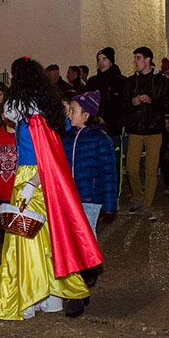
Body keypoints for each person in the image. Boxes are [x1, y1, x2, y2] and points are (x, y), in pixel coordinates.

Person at [0, 57, 103, 321]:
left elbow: (38, 155)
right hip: (44, 182)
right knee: (48, 237)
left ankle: (25, 297)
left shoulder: (32, 117)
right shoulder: (45, 111)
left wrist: (30, 185)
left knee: (23, 240)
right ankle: (53, 296)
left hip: (30, 180)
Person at [122, 46, 169, 220]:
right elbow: (124, 106)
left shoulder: (160, 81)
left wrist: (151, 100)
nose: (135, 61)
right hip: (135, 129)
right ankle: (138, 197)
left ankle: (147, 205)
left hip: (154, 129)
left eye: (138, 58)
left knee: (151, 169)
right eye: (134, 57)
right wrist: (132, 102)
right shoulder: (130, 82)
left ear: (148, 60)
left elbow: (167, 104)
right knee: (131, 168)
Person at [64, 90, 117, 236]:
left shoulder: (101, 139)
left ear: (86, 115)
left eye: (73, 111)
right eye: (69, 110)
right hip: (70, 197)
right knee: (72, 237)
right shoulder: (67, 138)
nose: (69, 114)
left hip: (90, 198)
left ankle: (90, 260)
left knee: (86, 236)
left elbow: (109, 173)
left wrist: (110, 204)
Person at [85, 47, 126, 188]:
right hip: (94, 130)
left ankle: (113, 195)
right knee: (95, 163)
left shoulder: (121, 82)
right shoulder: (93, 82)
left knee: (113, 164)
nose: (101, 63)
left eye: (105, 59)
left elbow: (123, 107)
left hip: (113, 130)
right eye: (99, 59)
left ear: (111, 61)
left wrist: (113, 121)